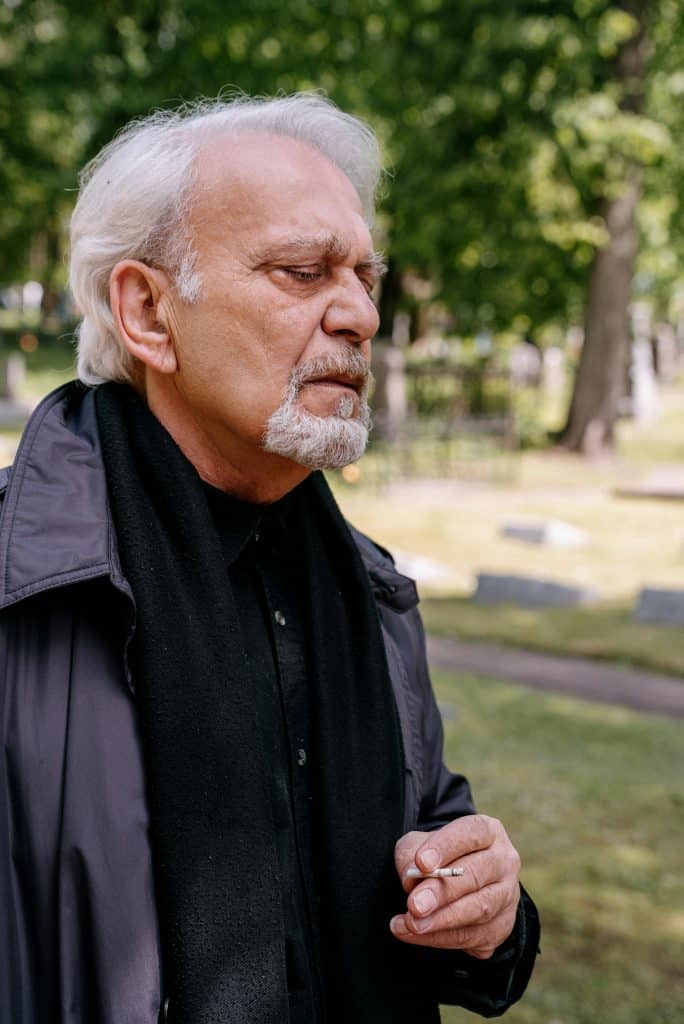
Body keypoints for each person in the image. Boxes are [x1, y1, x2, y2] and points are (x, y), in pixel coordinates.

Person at [0, 94, 539, 1024]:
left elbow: (435, 828)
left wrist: (488, 912)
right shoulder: (28, 591)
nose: (362, 315)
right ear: (148, 312)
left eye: (366, 276)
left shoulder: (365, 590)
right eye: (304, 272)